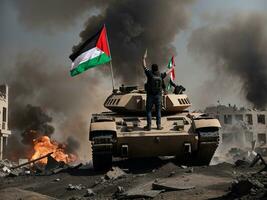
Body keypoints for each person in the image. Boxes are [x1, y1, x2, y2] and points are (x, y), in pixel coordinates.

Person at [142, 49, 172, 131]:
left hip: (150, 96)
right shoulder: (160, 75)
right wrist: (172, 68)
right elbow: (167, 72)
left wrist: (143, 58)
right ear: (157, 69)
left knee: (148, 110)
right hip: (158, 96)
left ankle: (149, 126)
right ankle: (158, 126)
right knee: (158, 111)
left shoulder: (149, 74)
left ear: (152, 68)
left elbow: (144, 66)